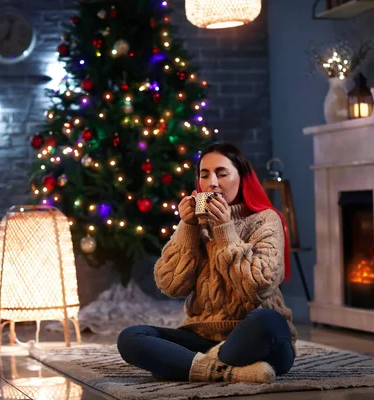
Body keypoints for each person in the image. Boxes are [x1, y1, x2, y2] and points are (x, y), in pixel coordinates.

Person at [117, 142, 297, 384]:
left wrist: (224, 230)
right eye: (204, 175)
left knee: (267, 320)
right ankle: (229, 371)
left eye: (222, 174)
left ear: (241, 178)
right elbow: (170, 285)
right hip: (202, 336)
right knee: (130, 337)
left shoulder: (266, 219)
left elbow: (258, 286)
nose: (212, 182)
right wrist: (187, 227)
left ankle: (185, 365)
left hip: (254, 337)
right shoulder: (195, 226)